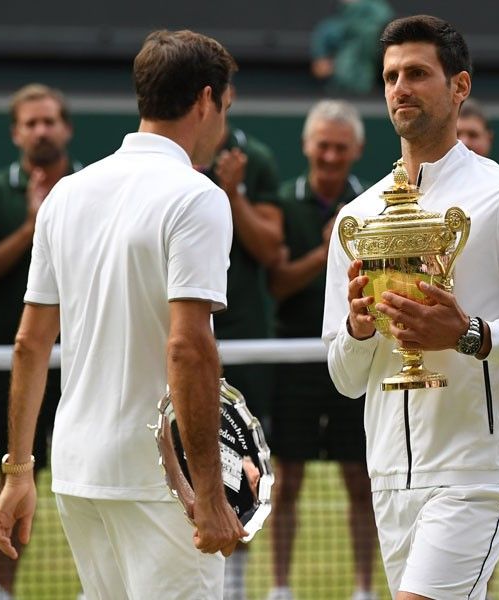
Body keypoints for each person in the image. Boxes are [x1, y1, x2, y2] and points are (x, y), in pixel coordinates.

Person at [322, 16, 499, 600]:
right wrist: (359, 331)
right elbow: (343, 378)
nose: (400, 88)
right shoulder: (357, 217)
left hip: (478, 471)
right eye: (391, 76)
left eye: (417, 73)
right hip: (389, 476)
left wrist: (469, 333)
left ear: (460, 86)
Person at [0, 29, 246, 599]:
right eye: (225, 108)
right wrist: (207, 492)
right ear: (205, 100)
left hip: (79, 472)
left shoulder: (66, 194)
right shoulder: (198, 195)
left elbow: (30, 343)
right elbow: (187, 347)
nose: (223, 123)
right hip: (158, 481)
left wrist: (18, 471)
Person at [0, 83, 79, 600]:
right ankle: (1, 592)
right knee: (12, 480)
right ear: (15, 133)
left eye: (49, 121)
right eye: (30, 123)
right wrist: (33, 227)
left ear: (67, 128)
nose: (41, 131)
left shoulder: (89, 190)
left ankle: (94, 588)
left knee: (86, 480)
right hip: (13, 365)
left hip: (81, 363)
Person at [267, 99, 377, 600]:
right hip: (294, 365)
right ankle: (282, 587)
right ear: (308, 146)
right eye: (323, 146)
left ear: (356, 150)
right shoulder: (282, 203)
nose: (331, 156)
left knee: (362, 480)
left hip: (357, 360)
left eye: (341, 147)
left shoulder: (375, 205)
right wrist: (327, 249)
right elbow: (277, 284)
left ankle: (363, 588)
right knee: (286, 480)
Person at [198, 107, 283, 600]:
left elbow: (271, 248)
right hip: (176, 333)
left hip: (243, 339)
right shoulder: (171, 159)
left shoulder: (256, 160)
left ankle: (233, 587)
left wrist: (232, 191)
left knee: (240, 470)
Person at [310, 0, 394, 94]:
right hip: (339, 90)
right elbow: (320, 69)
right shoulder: (329, 30)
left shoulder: (380, 22)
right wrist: (341, 66)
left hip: (374, 90)